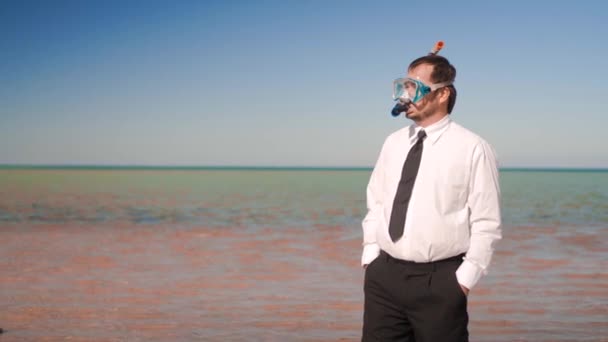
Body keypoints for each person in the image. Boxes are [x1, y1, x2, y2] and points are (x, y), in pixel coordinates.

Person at [361, 44, 502, 342]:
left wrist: (465, 279)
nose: (405, 96)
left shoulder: (473, 148)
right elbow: (376, 200)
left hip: (440, 283)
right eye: (403, 86)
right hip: (383, 276)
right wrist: (371, 252)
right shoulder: (393, 143)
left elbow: (487, 221)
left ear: (442, 93)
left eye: (415, 88)